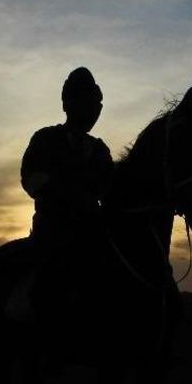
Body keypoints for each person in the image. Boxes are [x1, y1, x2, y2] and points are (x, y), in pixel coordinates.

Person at [20, 67, 113, 308]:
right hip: (53, 231)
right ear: (67, 104)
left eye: (96, 104)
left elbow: (112, 189)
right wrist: (66, 194)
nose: (93, 110)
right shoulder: (44, 140)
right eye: (86, 102)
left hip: (96, 233)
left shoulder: (100, 150)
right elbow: (30, 178)